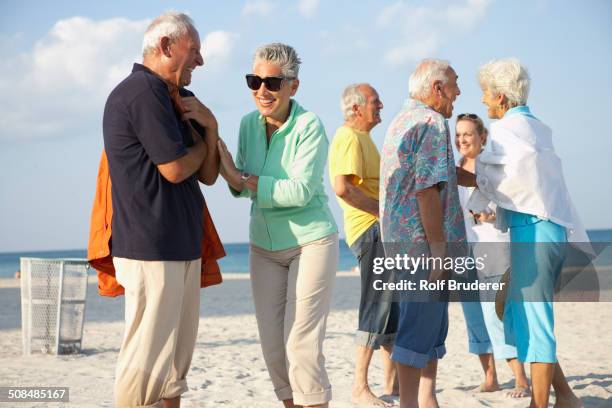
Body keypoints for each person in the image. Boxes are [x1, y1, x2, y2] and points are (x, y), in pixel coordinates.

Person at [102, 12, 220, 408]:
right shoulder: (142, 91)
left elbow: (207, 175)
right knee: (145, 363)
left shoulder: (174, 98)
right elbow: (175, 169)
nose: (200, 61)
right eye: (195, 51)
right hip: (151, 246)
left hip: (179, 245)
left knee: (172, 370)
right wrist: (207, 139)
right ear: (166, 46)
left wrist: (211, 129)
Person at [456, 58, 585, 408]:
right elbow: (513, 182)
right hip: (550, 232)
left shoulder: (503, 133)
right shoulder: (537, 128)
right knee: (520, 317)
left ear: (499, 96)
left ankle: (539, 405)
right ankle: (568, 397)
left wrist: (444, 172)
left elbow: (487, 179)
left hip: (534, 233)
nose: (483, 101)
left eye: (485, 94)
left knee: (537, 322)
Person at [217, 43, 338, 408]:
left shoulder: (310, 125)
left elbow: (300, 191)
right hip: (263, 248)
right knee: (273, 348)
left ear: (293, 86)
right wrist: (227, 169)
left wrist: (242, 177)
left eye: (272, 82)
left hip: (310, 242)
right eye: (254, 81)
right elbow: (239, 186)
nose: (262, 91)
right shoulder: (246, 125)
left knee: (301, 346)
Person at [380, 59, 464, 408]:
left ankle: (427, 401)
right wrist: (439, 252)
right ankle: (411, 403)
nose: (458, 92)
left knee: (427, 327)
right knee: (418, 329)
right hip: (422, 247)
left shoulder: (402, 120)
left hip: (402, 245)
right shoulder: (431, 122)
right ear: (437, 88)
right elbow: (427, 190)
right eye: (455, 84)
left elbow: (431, 177)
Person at [328, 83, 399, 406]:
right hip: (369, 230)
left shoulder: (364, 139)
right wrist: (382, 213)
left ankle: (391, 384)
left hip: (379, 230)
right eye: (374, 101)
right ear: (356, 108)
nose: (381, 104)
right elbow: (342, 188)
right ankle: (359, 385)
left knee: (390, 307)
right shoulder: (348, 137)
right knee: (376, 304)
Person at [455, 113, 531, 398]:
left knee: (499, 315)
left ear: (482, 136)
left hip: (495, 249)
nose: (462, 139)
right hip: (464, 252)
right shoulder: (453, 169)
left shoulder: (493, 167)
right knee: (475, 316)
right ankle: (490, 378)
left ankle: (521, 379)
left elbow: (513, 204)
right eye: (458, 134)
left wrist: (490, 216)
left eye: (468, 134)